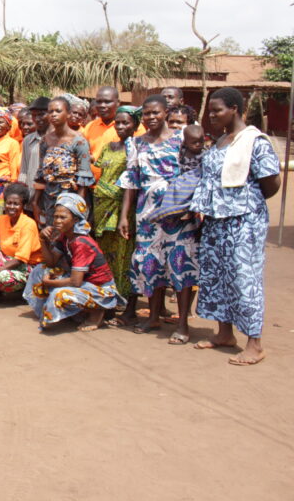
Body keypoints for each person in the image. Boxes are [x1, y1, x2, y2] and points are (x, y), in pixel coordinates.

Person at [190, 88, 281, 365]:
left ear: (235, 109)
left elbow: (271, 182)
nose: (212, 116)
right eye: (210, 111)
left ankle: (255, 343)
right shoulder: (219, 141)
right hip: (216, 222)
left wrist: (242, 203)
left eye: (217, 110)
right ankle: (224, 334)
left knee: (244, 278)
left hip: (244, 222)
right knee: (217, 276)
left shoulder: (255, 142)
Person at [118, 95, 198, 343]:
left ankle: (182, 323)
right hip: (147, 214)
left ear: (166, 113)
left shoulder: (181, 139)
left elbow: (194, 174)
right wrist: (124, 216)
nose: (151, 118)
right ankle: (152, 316)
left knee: (179, 263)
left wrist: (191, 208)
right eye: (146, 114)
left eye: (155, 113)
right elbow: (131, 182)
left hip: (177, 212)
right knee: (150, 263)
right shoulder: (136, 143)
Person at [23, 192, 120, 331]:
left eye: (63, 217)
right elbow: (51, 262)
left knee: (60, 294)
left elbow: (75, 282)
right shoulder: (66, 237)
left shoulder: (81, 242)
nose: (57, 221)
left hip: (100, 289)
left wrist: (49, 282)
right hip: (85, 284)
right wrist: (42, 240)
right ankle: (67, 312)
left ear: (75, 219)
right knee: (40, 270)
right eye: (56, 217)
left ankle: (97, 312)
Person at [92, 105, 141, 325]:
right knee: (106, 257)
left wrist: (123, 213)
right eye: (118, 123)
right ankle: (108, 302)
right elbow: (101, 176)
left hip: (123, 210)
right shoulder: (108, 147)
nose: (121, 127)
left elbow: (131, 184)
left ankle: (126, 304)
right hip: (102, 208)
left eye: (126, 123)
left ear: (135, 126)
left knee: (124, 257)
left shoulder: (136, 149)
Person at [33, 97, 93, 225]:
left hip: (71, 197)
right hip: (49, 198)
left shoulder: (79, 141)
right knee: (51, 236)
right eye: (50, 111)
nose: (53, 114)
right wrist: (35, 202)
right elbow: (41, 173)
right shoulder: (45, 140)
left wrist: (78, 207)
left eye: (58, 111)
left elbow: (84, 177)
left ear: (68, 114)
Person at [17, 97, 50, 199]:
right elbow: (24, 170)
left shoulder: (58, 139)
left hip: (50, 196)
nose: (37, 119)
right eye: (34, 115)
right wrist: (21, 194)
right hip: (30, 194)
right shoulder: (28, 140)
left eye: (41, 115)